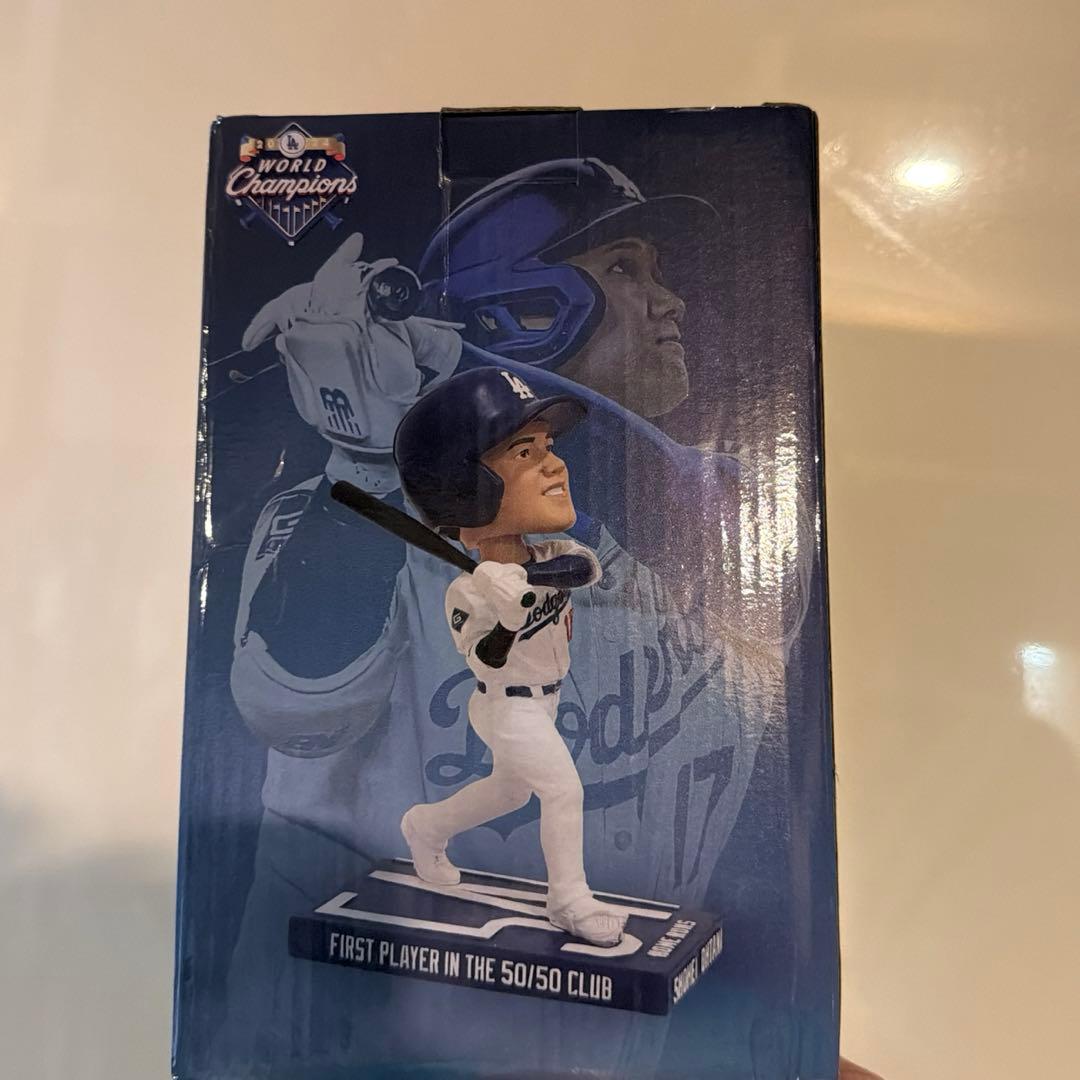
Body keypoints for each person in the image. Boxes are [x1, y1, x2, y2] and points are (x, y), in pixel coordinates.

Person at [212, 158, 813, 1076]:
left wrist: (454, 378)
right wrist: (371, 460)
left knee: (506, 794)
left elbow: (689, 518)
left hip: (611, 1041)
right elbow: (295, 712)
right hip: (339, 1037)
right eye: (624, 268)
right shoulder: (334, 521)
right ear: (521, 308)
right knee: (550, 791)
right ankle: (541, 882)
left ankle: (434, 830)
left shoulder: (727, 516)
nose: (672, 301)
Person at [395, 367, 627, 946]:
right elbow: (488, 661)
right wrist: (505, 614)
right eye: (526, 452)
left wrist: (521, 579)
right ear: (466, 487)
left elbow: (583, 569)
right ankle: (569, 900)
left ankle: (426, 826)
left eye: (548, 446)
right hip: (505, 705)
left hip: (545, 701)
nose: (555, 465)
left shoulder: (552, 554)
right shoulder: (467, 592)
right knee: (563, 790)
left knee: (510, 791)